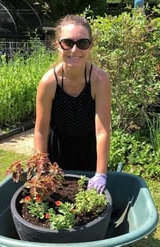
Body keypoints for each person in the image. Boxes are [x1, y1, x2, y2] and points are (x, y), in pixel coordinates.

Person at [33, 15, 111, 193]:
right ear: (57, 44)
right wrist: (41, 168)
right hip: (56, 153)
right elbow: (41, 130)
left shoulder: (100, 80)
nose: (75, 50)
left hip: (89, 152)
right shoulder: (49, 82)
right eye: (67, 43)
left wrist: (100, 173)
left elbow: (102, 131)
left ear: (91, 45)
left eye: (82, 43)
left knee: (89, 205)